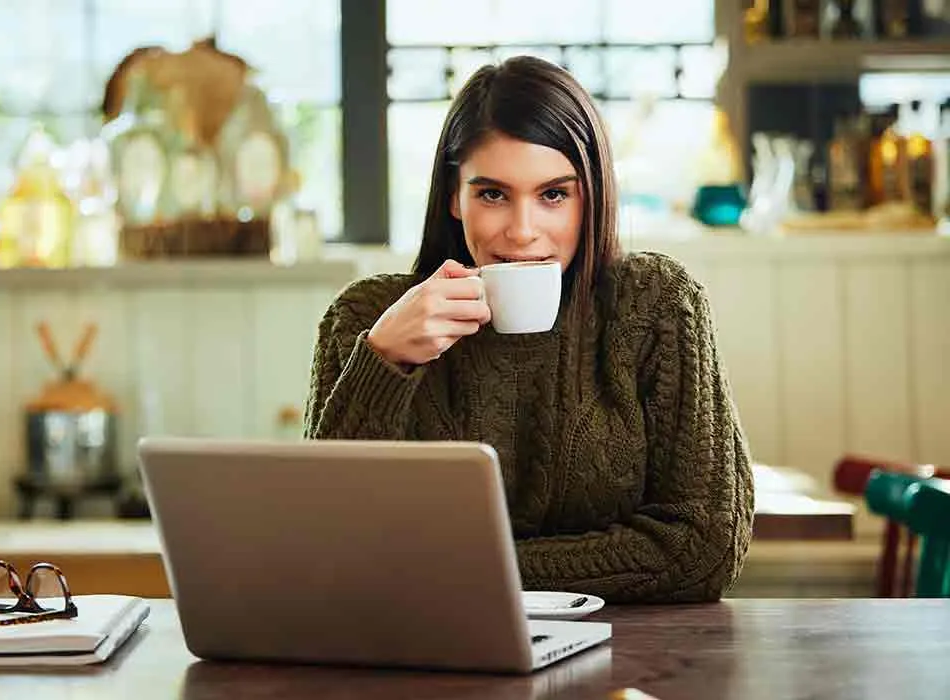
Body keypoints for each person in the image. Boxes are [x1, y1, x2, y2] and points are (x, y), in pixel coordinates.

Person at [303, 56, 753, 604]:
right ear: (454, 196)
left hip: (631, 660)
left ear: (591, 198)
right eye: (492, 194)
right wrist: (382, 362)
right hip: (424, 653)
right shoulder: (366, 317)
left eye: (553, 195)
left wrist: (464, 568)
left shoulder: (656, 305)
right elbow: (326, 546)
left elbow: (702, 548)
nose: (521, 232)